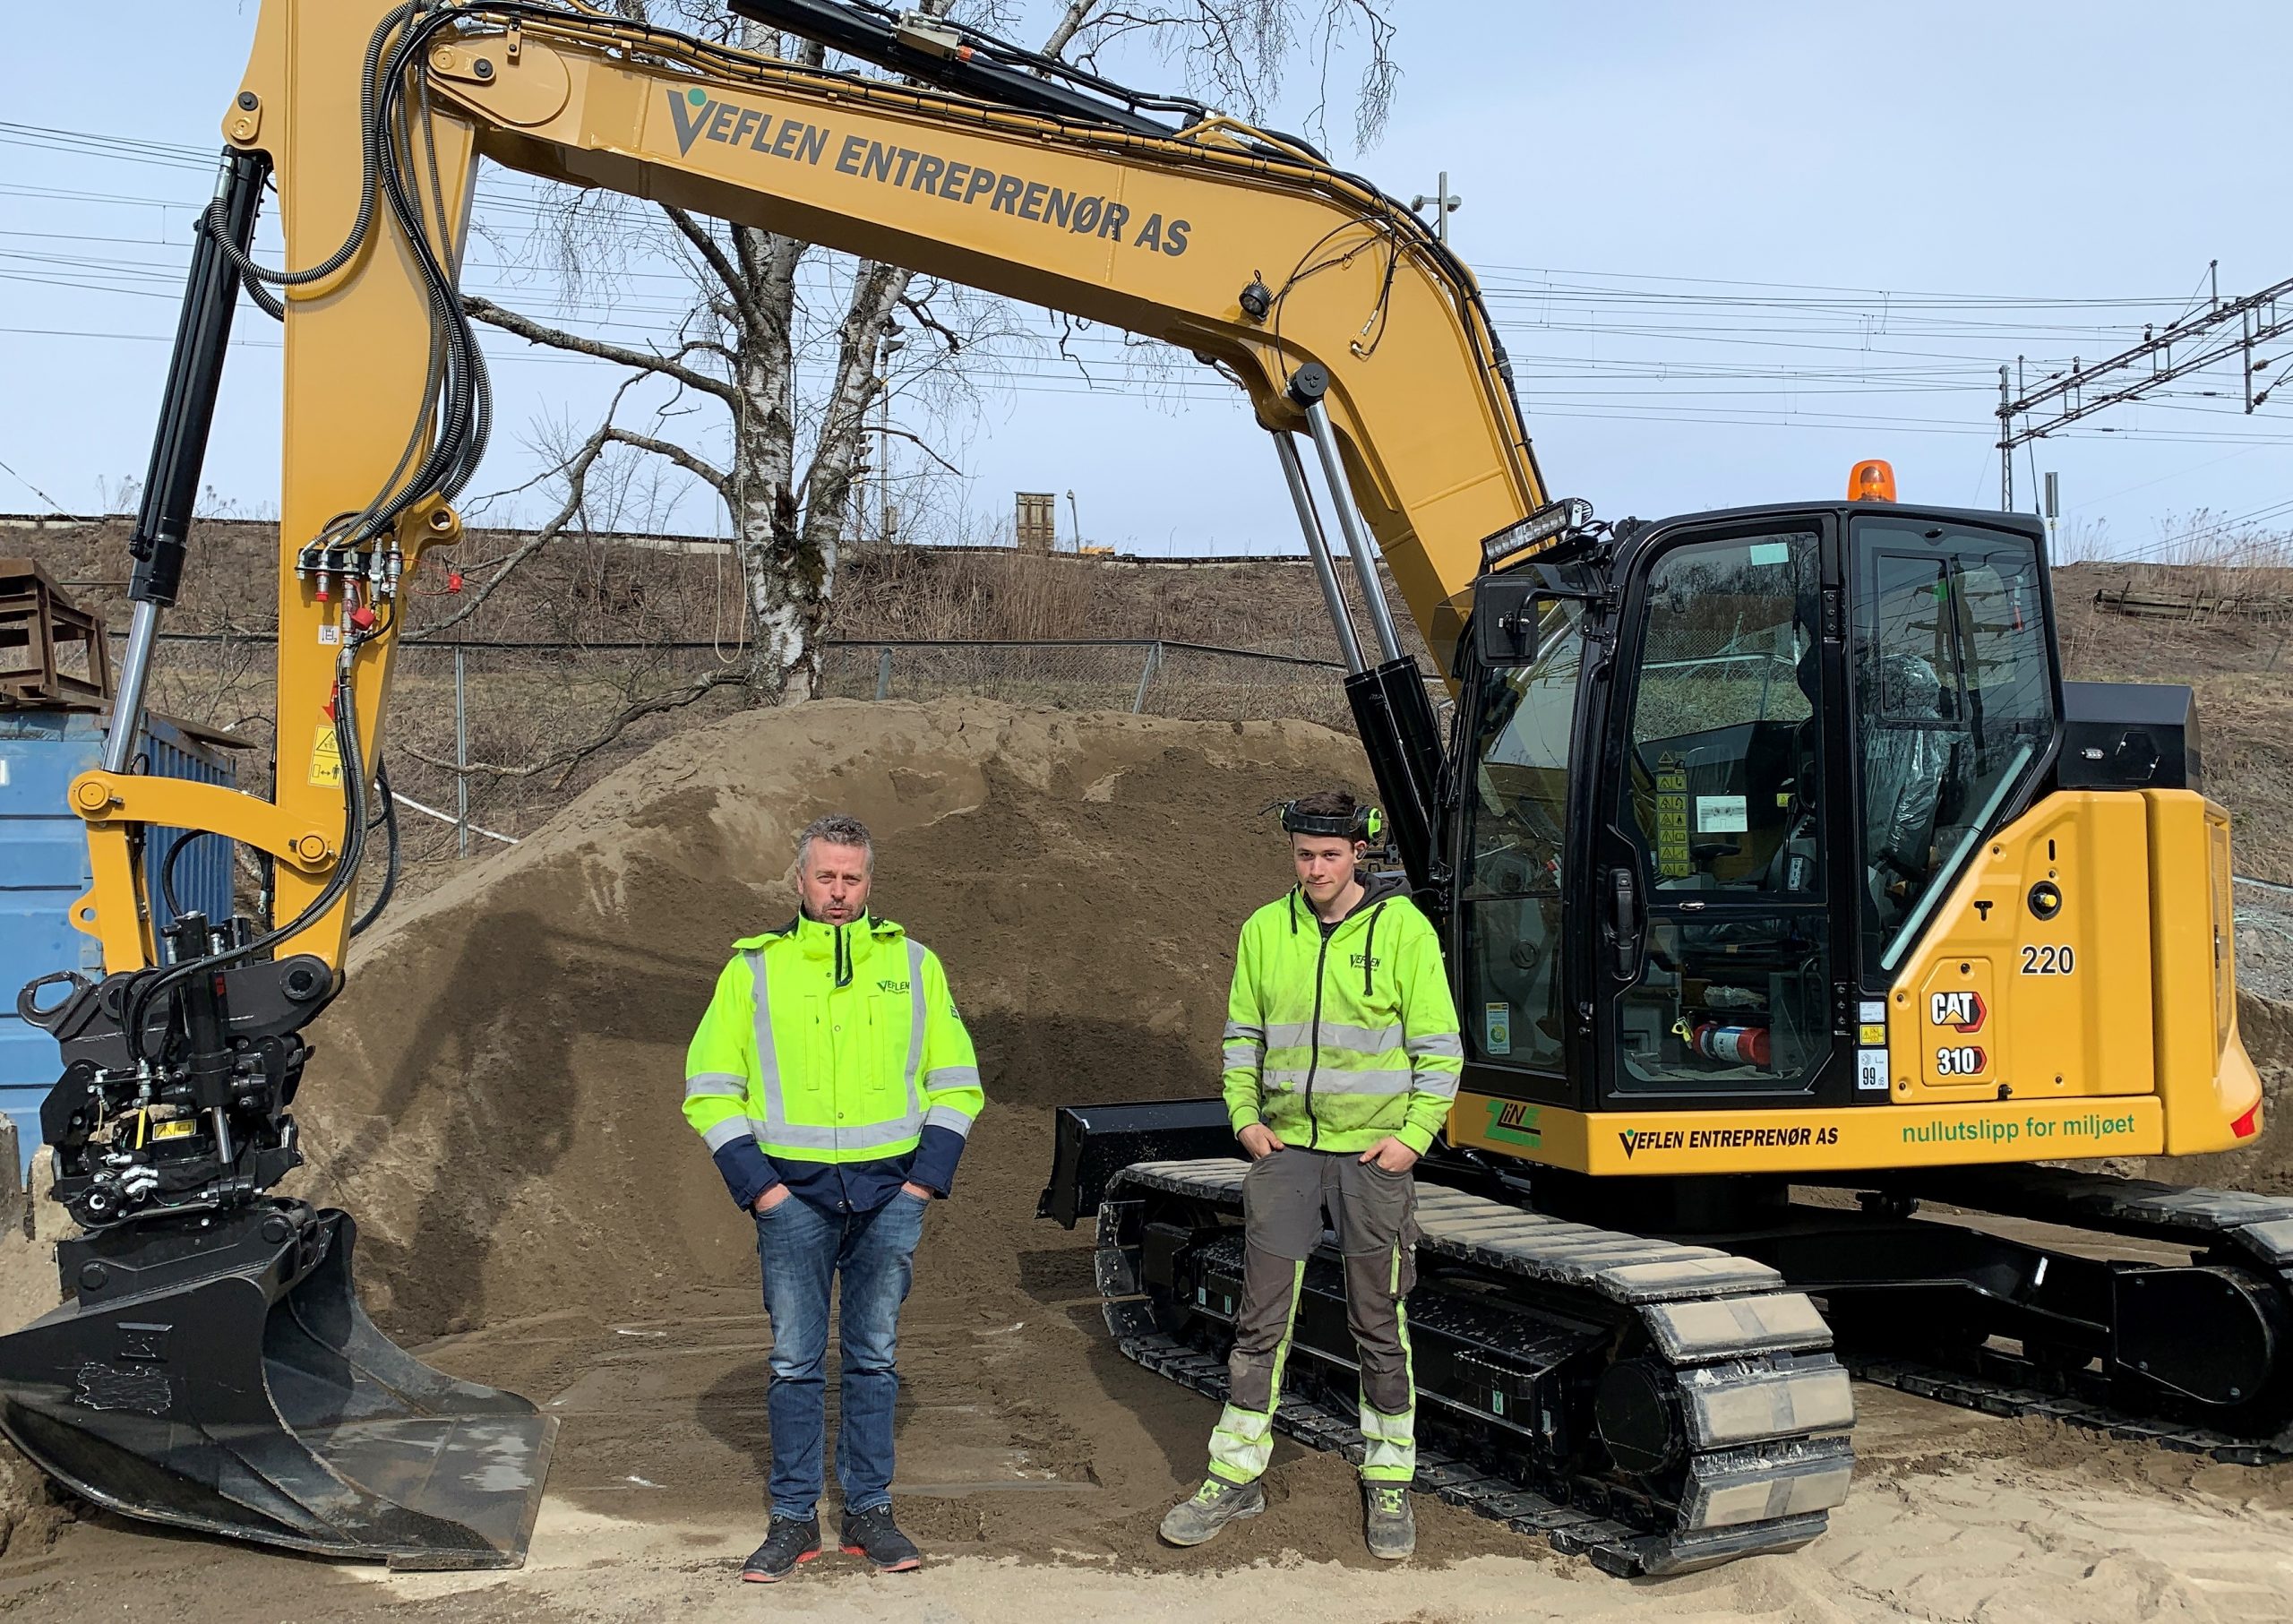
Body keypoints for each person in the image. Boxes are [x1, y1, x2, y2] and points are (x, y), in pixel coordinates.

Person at [1158, 789, 1463, 1560]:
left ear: (1359, 853)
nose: (1316, 868)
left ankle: (1390, 1476)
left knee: (1377, 1321)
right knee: (1261, 1321)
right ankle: (1235, 1473)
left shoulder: (1403, 930)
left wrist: (1413, 1140)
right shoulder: (1266, 929)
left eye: (1330, 854)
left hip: (1373, 1162)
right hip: (1287, 1154)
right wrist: (1244, 1118)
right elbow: (1241, 1036)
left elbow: (1440, 1048)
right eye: (1303, 854)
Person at [683, 813, 983, 1584]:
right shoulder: (752, 970)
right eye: (826, 877)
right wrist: (765, 1191)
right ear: (800, 879)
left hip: (891, 1196)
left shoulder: (916, 965)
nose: (839, 891)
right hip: (794, 1202)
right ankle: (792, 1520)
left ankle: (868, 1512)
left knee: (875, 1356)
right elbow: (710, 1088)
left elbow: (957, 1081)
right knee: (792, 1361)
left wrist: (922, 1183)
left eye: (852, 878)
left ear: (870, 882)